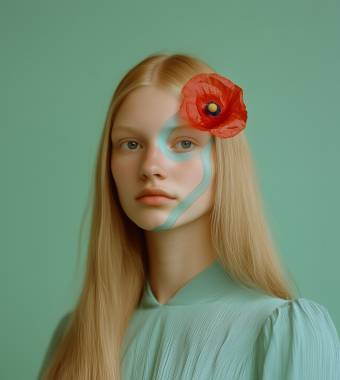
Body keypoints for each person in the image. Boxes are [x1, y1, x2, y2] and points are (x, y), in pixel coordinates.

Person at [39, 53, 340, 380]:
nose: (151, 167)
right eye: (130, 144)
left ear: (224, 160)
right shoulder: (74, 339)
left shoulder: (283, 332)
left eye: (184, 142)